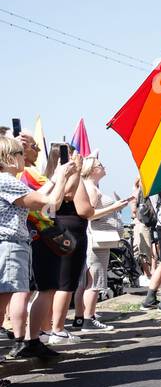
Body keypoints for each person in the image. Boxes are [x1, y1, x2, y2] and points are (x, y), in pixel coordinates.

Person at [0, 136, 72, 366]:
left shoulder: (7, 181)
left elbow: (40, 194)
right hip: (10, 244)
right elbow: (50, 203)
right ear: (10, 158)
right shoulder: (7, 180)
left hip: (11, 244)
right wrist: (61, 177)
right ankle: (21, 341)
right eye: (20, 153)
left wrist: (56, 177)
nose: (24, 157)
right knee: (8, 301)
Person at [30, 143, 94, 346]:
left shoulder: (45, 177)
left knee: (50, 285)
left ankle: (46, 328)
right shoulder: (61, 180)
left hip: (48, 232)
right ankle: (56, 328)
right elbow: (81, 207)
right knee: (64, 283)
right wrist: (76, 173)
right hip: (67, 233)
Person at [75, 156, 131, 332]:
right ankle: (88, 319)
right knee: (95, 280)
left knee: (86, 281)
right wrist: (115, 207)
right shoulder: (91, 188)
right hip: (96, 241)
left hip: (95, 240)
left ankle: (80, 317)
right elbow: (89, 214)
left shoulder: (90, 187)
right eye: (100, 165)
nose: (104, 166)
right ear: (92, 169)